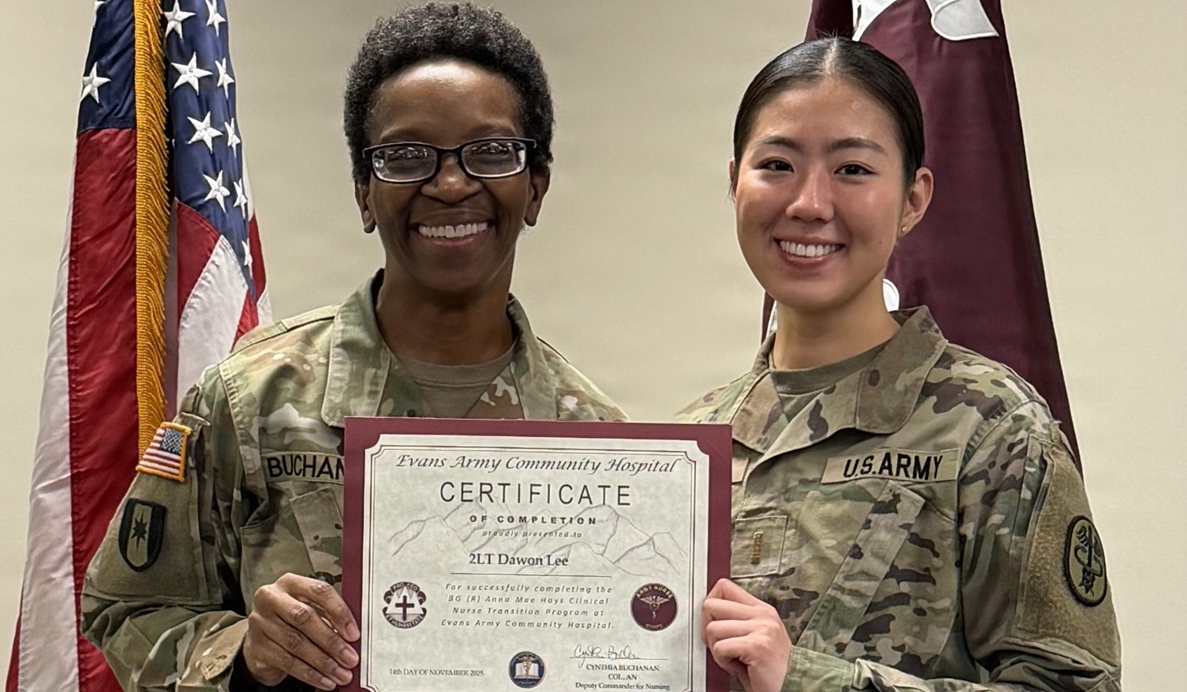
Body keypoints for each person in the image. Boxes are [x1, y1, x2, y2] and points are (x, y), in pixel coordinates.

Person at [80, 4, 625, 690]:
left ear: (535, 186)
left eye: (490, 152)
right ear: (365, 194)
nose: (450, 184)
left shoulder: (601, 445)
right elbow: (123, 608)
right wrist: (244, 651)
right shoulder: (247, 400)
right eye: (405, 157)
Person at [680, 38, 1120, 691]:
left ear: (913, 199)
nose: (809, 203)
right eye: (776, 164)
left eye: (852, 169)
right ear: (733, 181)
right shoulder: (691, 444)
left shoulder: (993, 429)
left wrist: (804, 680)